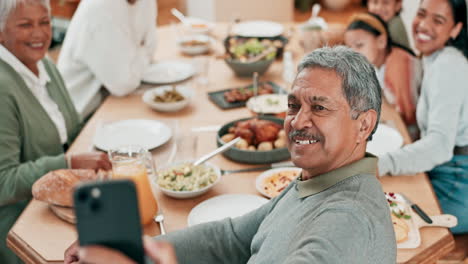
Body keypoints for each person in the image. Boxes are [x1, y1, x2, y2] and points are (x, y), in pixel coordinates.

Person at [65, 46, 397, 264]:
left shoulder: (348, 220)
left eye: (319, 107)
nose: (297, 121)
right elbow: (231, 238)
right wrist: (136, 250)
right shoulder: (317, 180)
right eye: (293, 105)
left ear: (363, 124)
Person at [0, 0, 111, 262]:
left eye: (45, 22)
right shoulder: (2, 87)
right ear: (1, 31)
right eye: (25, 25)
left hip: (62, 204)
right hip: (21, 225)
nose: (39, 33)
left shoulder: (44, 64)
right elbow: (3, 182)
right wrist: (67, 162)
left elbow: (71, 131)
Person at [378, 0, 468, 234]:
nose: (424, 25)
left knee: (388, 217)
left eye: (438, 20)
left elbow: (439, 146)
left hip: (459, 183)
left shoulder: (449, 65)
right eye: (421, 14)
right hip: (446, 169)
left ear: (456, 29)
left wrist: (381, 163)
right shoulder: (436, 58)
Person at [57, 0, 157, 120]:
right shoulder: (100, 6)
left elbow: (151, 46)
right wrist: (139, 54)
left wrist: (135, 60)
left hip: (110, 100)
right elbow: (123, 84)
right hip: (80, 118)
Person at [345, 13, 421, 134]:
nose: (353, 53)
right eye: (349, 47)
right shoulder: (376, 59)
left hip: (410, 131)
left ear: (381, 41)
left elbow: (407, 117)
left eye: (359, 45)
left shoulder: (398, 66)